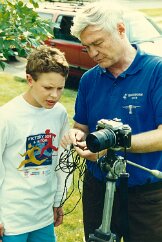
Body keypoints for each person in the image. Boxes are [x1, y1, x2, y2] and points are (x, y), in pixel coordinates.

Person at [60, 1, 162, 242]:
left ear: (120, 29)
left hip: (146, 193)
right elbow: (82, 127)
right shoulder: (88, 80)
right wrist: (77, 137)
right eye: (87, 47)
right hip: (98, 185)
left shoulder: (156, 71)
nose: (93, 53)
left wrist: (114, 145)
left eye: (98, 43)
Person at [0, 45, 70, 242]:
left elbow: (61, 161)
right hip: (12, 220)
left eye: (60, 88)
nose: (54, 95)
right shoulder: (6, 117)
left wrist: (58, 200)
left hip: (43, 216)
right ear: (30, 80)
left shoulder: (59, 113)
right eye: (48, 88)